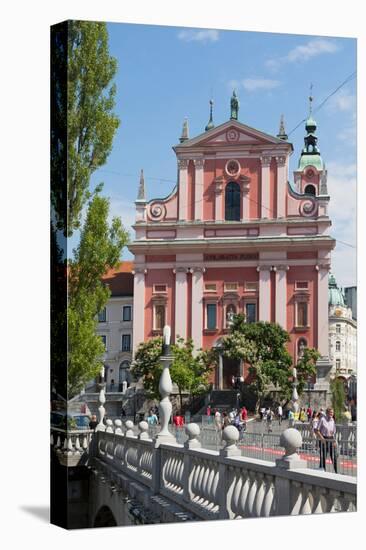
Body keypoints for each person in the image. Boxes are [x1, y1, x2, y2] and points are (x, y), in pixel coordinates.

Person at [314, 407, 337, 473]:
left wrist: (334, 441)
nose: (331, 414)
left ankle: (337, 472)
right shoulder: (322, 419)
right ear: (327, 413)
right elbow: (316, 430)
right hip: (323, 439)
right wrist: (322, 438)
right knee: (323, 457)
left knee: (334, 456)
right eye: (330, 412)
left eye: (332, 412)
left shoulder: (332, 420)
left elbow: (333, 432)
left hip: (331, 439)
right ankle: (322, 471)